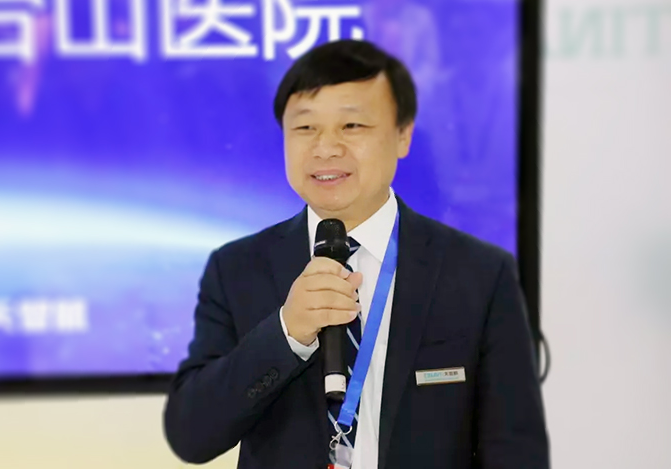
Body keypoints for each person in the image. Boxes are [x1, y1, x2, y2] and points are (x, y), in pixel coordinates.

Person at [163, 39, 548, 469]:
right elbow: (191, 435)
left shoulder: (479, 274)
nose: (326, 147)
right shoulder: (236, 268)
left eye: (352, 125)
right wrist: (287, 333)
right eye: (305, 128)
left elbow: (516, 451)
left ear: (403, 135)